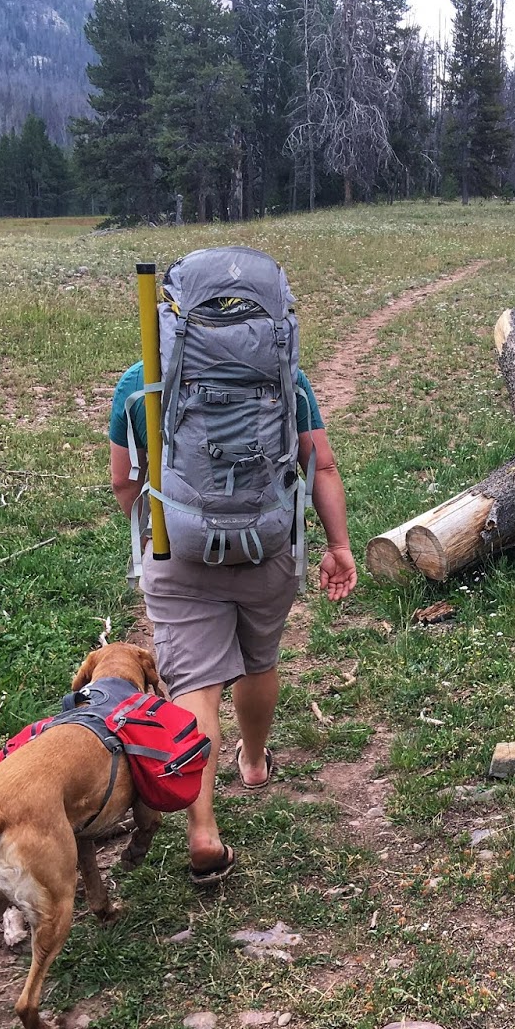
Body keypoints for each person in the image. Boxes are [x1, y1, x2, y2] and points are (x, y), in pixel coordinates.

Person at [107, 359, 356, 884]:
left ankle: (203, 829)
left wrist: (155, 532)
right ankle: (255, 762)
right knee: (259, 661)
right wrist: (338, 544)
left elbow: (124, 481)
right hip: (266, 548)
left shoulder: (140, 379)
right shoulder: (280, 369)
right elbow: (322, 466)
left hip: (178, 550)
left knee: (195, 685)